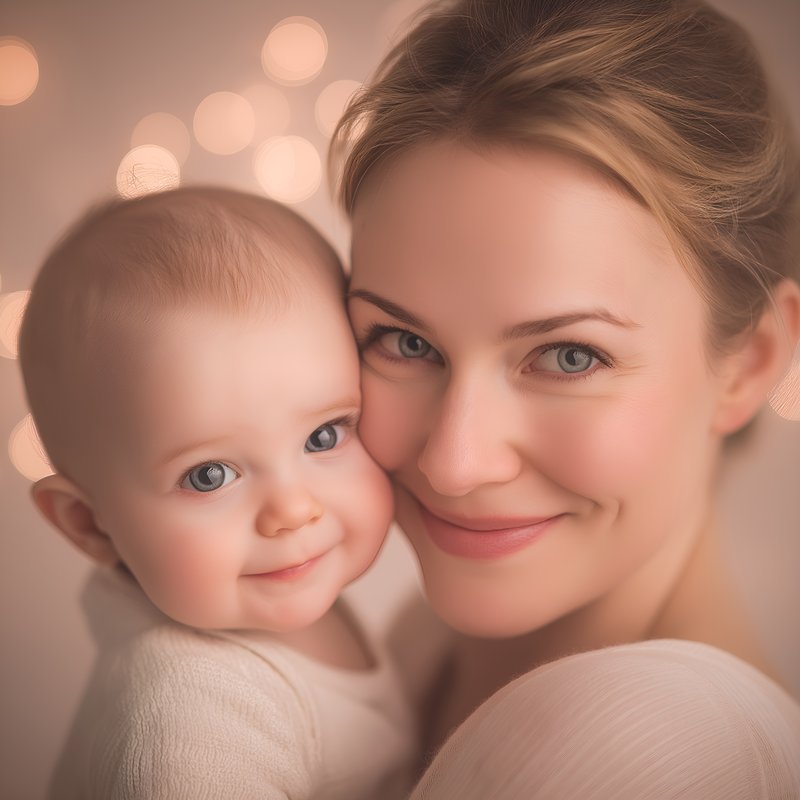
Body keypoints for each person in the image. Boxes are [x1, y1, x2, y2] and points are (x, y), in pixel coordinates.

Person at [331, 0, 800, 796]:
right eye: (404, 342)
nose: (454, 464)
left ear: (749, 365)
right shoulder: (428, 640)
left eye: (569, 356)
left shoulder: (645, 761)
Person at [17, 186, 416, 800]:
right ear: (89, 524)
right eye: (210, 475)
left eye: (324, 435)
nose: (292, 510)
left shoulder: (290, 601)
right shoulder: (191, 722)